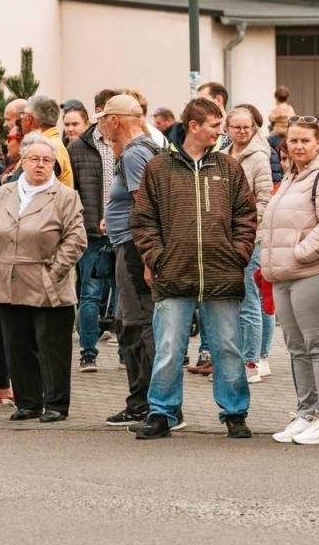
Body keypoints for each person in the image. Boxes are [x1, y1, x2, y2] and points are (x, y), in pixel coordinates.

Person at [130, 97, 257, 441]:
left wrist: (238, 254)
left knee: (228, 346)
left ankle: (235, 413)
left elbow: (246, 215)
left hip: (222, 274)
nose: (222, 131)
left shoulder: (229, 168)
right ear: (194, 126)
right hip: (174, 274)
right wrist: (158, 258)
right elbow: (144, 221)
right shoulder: (159, 168)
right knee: (169, 346)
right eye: (216, 125)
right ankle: (162, 412)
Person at [0, 134, 87, 423]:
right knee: (17, 344)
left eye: (47, 160)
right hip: (7, 280)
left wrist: (54, 274)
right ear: (22, 162)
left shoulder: (65, 196)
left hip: (47, 282)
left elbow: (76, 240)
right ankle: (27, 402)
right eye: (34, 159)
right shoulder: (5, 192)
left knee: (52, 346)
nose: (41, 165)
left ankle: (55, 403)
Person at [260, 116, 319, 446]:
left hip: (313, 272)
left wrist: (301, 253)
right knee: (297, 349)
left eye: (304, 141)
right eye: (292, 141)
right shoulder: (292, 176)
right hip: (284, 274)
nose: (297, 146)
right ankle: (307, 412)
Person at [96, 94, 165, 428]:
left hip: (136, 248)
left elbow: (145, 204)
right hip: (130, 243)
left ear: (116, 120)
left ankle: (154, 404)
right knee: (130, 323)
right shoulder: (145, 149)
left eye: (103, 120)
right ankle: (141, 401)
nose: (101, 127)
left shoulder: (136, 153)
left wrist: (148, 255)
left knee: (140, 324)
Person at [226, 105, 273, 383]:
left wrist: (249, 227)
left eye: (247, 127)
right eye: (237, 127)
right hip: (227, 236)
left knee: (249, 300)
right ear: (227, 129)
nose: (242, 131)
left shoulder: (258, 158)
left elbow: (265, 199)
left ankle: (251, 362)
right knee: (239, 300)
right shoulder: (222, 155)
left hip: (251, 237)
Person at [67, 111, 111, 373]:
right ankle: (88, 352)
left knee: (123, 295)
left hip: (122, 229)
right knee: (90, 292)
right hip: (91, 230)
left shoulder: (126, 143)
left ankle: (125, 353)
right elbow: (72, 190)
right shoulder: (78, 148)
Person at [19, 95, 74, 187]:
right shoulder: (54, 144)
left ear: (29, 119)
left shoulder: (45, 148)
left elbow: (21, 183)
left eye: (22, 115)